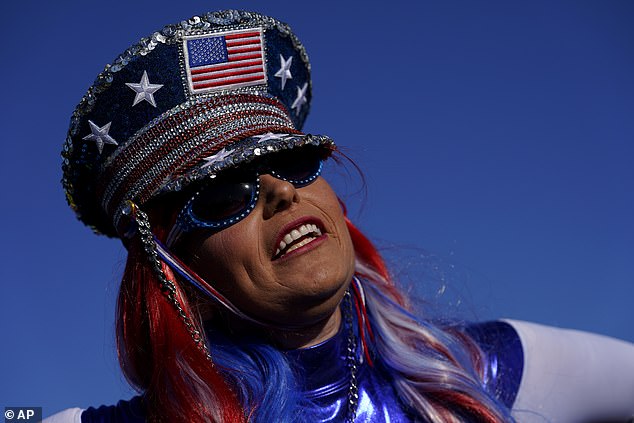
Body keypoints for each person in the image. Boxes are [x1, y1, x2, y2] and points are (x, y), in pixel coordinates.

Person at [46, 10, 634, 423]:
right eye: (224, 193)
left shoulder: (487, 377)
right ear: (173, 269)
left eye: (295, 161)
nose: (280, 191)